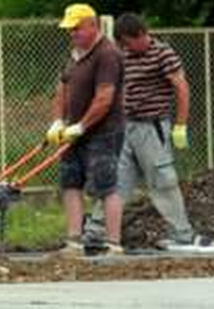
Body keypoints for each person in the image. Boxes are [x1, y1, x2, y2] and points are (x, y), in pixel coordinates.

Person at [86, 14, 205, 249]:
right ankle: (96, 231)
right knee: (115, 180)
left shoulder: (163, 54)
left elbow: (181, 87)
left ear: (141, 35)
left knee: (163, 180)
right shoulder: (123, 55)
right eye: (122, 44)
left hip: (152, 127)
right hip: (124, 126)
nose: (126, 47)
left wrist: (181, 124)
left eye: (128, 42)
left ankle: (181, 233)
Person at [46, 4, 125, 257]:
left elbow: (105, 98)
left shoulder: (107, 54)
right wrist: (58, 121)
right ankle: (74, 242)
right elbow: (62, 89)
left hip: (103, 131)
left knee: (107, 186)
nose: (73, 33)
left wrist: (81, 126)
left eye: (77, 28)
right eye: (70, 29)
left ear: (93, 26)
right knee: (70, 183)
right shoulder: (75, 54)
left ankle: (113, 245)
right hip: (73, 131)